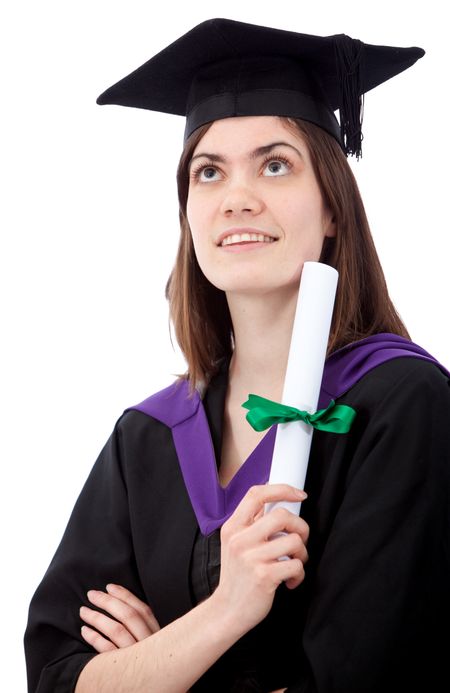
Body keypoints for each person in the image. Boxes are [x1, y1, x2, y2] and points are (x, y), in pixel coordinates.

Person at [24, 18, 450, 693]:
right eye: (208, 171)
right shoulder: (148, 440)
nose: (237, 198)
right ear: (187, 210)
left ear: (332, 203)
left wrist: (158, 666)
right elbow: (54, 679)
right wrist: (224, 612)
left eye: (275, 163)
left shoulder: (404, 405)